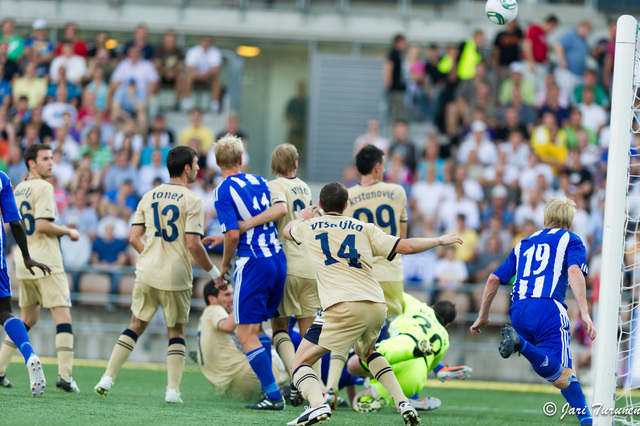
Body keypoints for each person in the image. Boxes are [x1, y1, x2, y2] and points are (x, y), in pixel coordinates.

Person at [282, 181, 463, 426]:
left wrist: (302, 218)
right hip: (376, 304)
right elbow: (406, 245)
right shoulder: (364, 228)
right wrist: (439, 240)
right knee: (368, 352)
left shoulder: (310, 226)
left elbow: (287, 231)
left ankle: (317, 404)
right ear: (346, 206)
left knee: (299, 362)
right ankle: (403, 403)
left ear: (321, 205)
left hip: (342, 304)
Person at [94, 146, 221, 403]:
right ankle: (172, 390)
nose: (198, 168)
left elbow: (133, 238)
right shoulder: (193, 199)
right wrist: (215, 272)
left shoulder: (148, 195)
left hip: (147, 270)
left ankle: (107, 377)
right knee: (176, 331)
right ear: (186, 168)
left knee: (135, 324)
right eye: (196, 164)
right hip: (175, 275)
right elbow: (194, 245)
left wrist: (151, 253)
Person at [471, 196, 595, 426]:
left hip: (518, 309)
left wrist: (483, 315)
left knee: (567, 370)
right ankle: (521, 344)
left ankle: (586, 420)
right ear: (570, 221)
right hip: (548, 308)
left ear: (546, 218)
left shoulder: (524, 242)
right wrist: (585, 313)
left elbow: (493, 279)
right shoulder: (572, 239)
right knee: (562, 377)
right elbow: (575, 271)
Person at [207, 134, 287, 410]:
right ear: (241, 160)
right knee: (258, 327)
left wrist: (225, 264)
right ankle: (271, 388)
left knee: (244, 334)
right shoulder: (259, 181)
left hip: (253, 262)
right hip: (277, 258)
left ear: (218, 163)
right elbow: (277, 210)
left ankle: (273, 395)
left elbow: (232, 233)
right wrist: (233, 234)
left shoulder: (222, 190)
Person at [332, 144, 408, 407]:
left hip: (361, 274)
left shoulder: (347, 196)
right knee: (389, 335)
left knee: (355, 336)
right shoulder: (397, 191)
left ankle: (348, 390)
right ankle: (384, 390)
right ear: (378, 167)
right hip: (391, 271)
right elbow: (403, 237)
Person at [0, 144, 80, 393]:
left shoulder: (20, 187)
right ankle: (65, 376)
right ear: (31, 163)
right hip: (45, 262)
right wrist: (68, 230)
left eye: (52, 158)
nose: (51, 163)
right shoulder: (43, 187)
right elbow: (42, 224)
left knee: (24, 318)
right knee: (63, 317)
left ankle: (0, 368)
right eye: (45, 158)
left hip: (25, 264)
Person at [346, 293, 464, 412]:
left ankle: (376, 393)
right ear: (447, 325)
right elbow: (430, 366)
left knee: (353, 366)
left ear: (432, 307)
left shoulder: (418, 305)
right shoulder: (445, 339)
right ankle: (392, 399)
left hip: (401, 345)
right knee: (363, 397)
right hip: (414, 380)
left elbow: (393, 290)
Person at [0, 169, 50, 396]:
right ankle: (29, 354)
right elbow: (15, 222)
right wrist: (26, 256)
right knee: (4, 312)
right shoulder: (2, 178)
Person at [196, 281, 287, 396]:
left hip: (227, 388)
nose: (233, 299)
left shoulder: (205, 320)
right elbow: (227, 326)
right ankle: (299, 386)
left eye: (233, 294)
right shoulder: (213, 309)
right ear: (212, 299)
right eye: (227, 295)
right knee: (286, 342)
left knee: (266, 336)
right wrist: (244, 299)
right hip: (244, 374)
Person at [183, 36, 222, 113]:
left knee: (217, 81)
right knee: (188, 79)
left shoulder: (215, 52)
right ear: (200, 42)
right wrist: (201, 75)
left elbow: (215, 70)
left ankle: (215, 106)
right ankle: (186, 103)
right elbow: (190, 70)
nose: (206, 43)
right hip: (196, 77)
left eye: (208, 41)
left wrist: (206, 75)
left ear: (211, 43)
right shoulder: (193, 51)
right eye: (204, 41)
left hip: (208, 77)